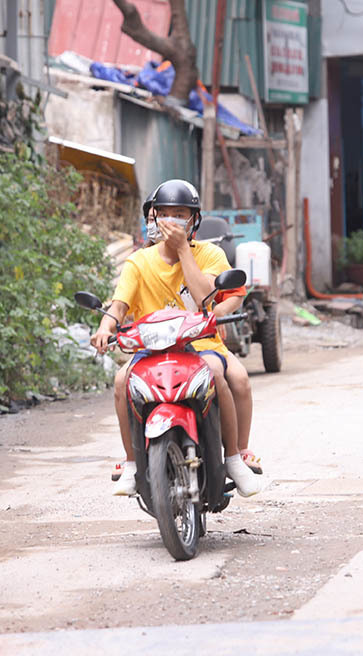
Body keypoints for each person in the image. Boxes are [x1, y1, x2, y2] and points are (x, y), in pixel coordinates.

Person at [91, 179, 267, 498]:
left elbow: (205, 299)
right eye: (166, 213)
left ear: (193, 220)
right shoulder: (139, 262)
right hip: (153, 348)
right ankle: (131, 461)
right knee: (121, 381)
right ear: (154, 218)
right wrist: (105, 327)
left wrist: (184, 249)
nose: (172, 220)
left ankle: (234, 456)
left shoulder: (210, 255)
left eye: (180, 213)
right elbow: (118, 304)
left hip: (201, 344)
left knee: (227, 376)